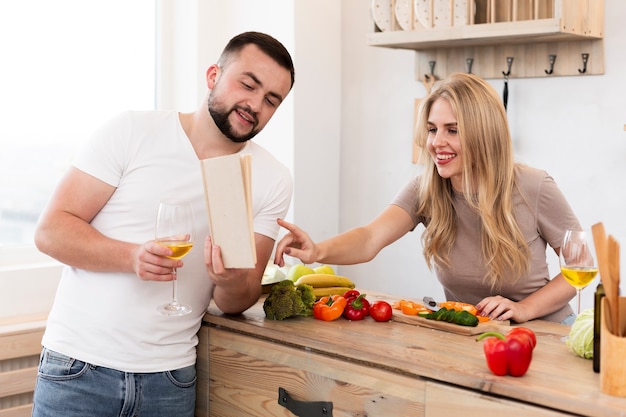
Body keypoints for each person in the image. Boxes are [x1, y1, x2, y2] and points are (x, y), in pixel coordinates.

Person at [32, 31, 295, 417]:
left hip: (169, 381)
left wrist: (228, 279)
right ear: (213, 76)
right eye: (248, 84)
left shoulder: (271, 178)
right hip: (78, 369)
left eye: (271, 100)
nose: (254, 104)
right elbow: (51, 231)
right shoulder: (132, 131)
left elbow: (236, 301)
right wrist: (132, 256)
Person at [275, 72, 579, 325]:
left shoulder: (534, 186)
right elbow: (370, 238)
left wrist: (524, 308)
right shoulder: (427, 190)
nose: (436, 143)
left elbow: (580, 269)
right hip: (473, 334)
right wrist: (316, 251)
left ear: (484, 133)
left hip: (546, 332)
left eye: (452, 130)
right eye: (433, 129)